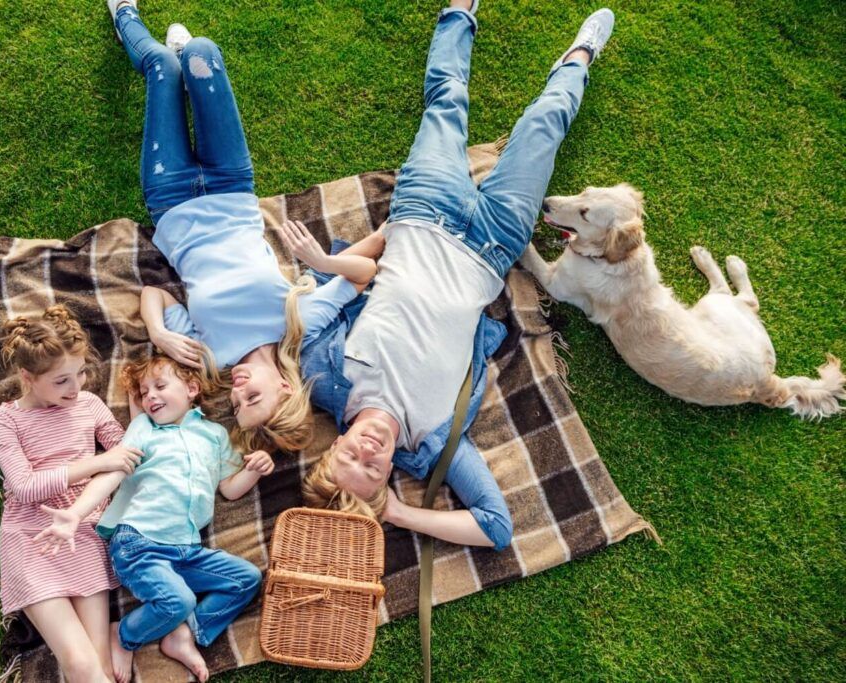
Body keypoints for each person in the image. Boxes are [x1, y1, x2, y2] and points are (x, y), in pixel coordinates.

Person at [300, 2, 615, 550]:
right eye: (372, 470)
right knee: (544, 125)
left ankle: (459, 13)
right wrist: (395, 513)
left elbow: (327, 298)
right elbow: (495, 527)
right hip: (493, 245)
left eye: (350, 454)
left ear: (335, 444)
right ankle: (579, 58)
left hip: (424, 209)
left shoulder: (324, 376)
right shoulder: (434, 442)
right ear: (386, 479)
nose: (368, 451)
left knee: (446, 101)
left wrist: (378, 243)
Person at [106, 0, 377, 457]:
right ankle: (192, 75)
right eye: (252, 397)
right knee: (201, 51)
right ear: (287, 390)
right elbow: (362, 274)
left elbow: (155, 293)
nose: (238, 390)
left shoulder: (208, 359)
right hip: (230, 186)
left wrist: (158, 332)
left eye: (237, 402)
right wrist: (321, 262)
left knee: (161, 67)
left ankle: (125, 16)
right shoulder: (301, 325)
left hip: (172, 200)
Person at [36, 355, 274, 683]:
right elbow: (115, 470)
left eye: (160, 386)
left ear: (192, 388)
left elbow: (231, 490)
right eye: (144, 392)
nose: (150, 396)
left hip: (186, 550)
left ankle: (185, 633)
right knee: (178, 599)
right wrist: (76, 512)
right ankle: (124, 635)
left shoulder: (215, 434)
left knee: (246, 579)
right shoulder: (144, 429)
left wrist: (253, 469)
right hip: (139, 543)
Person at [0, 305, 144, 683]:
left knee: (100, 669)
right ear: (27, 377)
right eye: (61, 381)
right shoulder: (5, 419)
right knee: (79, 664)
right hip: (32, 537)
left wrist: (139, 424)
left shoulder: (89, 404)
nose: (77, 388)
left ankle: (112, 637)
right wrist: (94, 464)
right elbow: (24, 487)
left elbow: (126, 451)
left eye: (81, 373)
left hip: (84, 533)